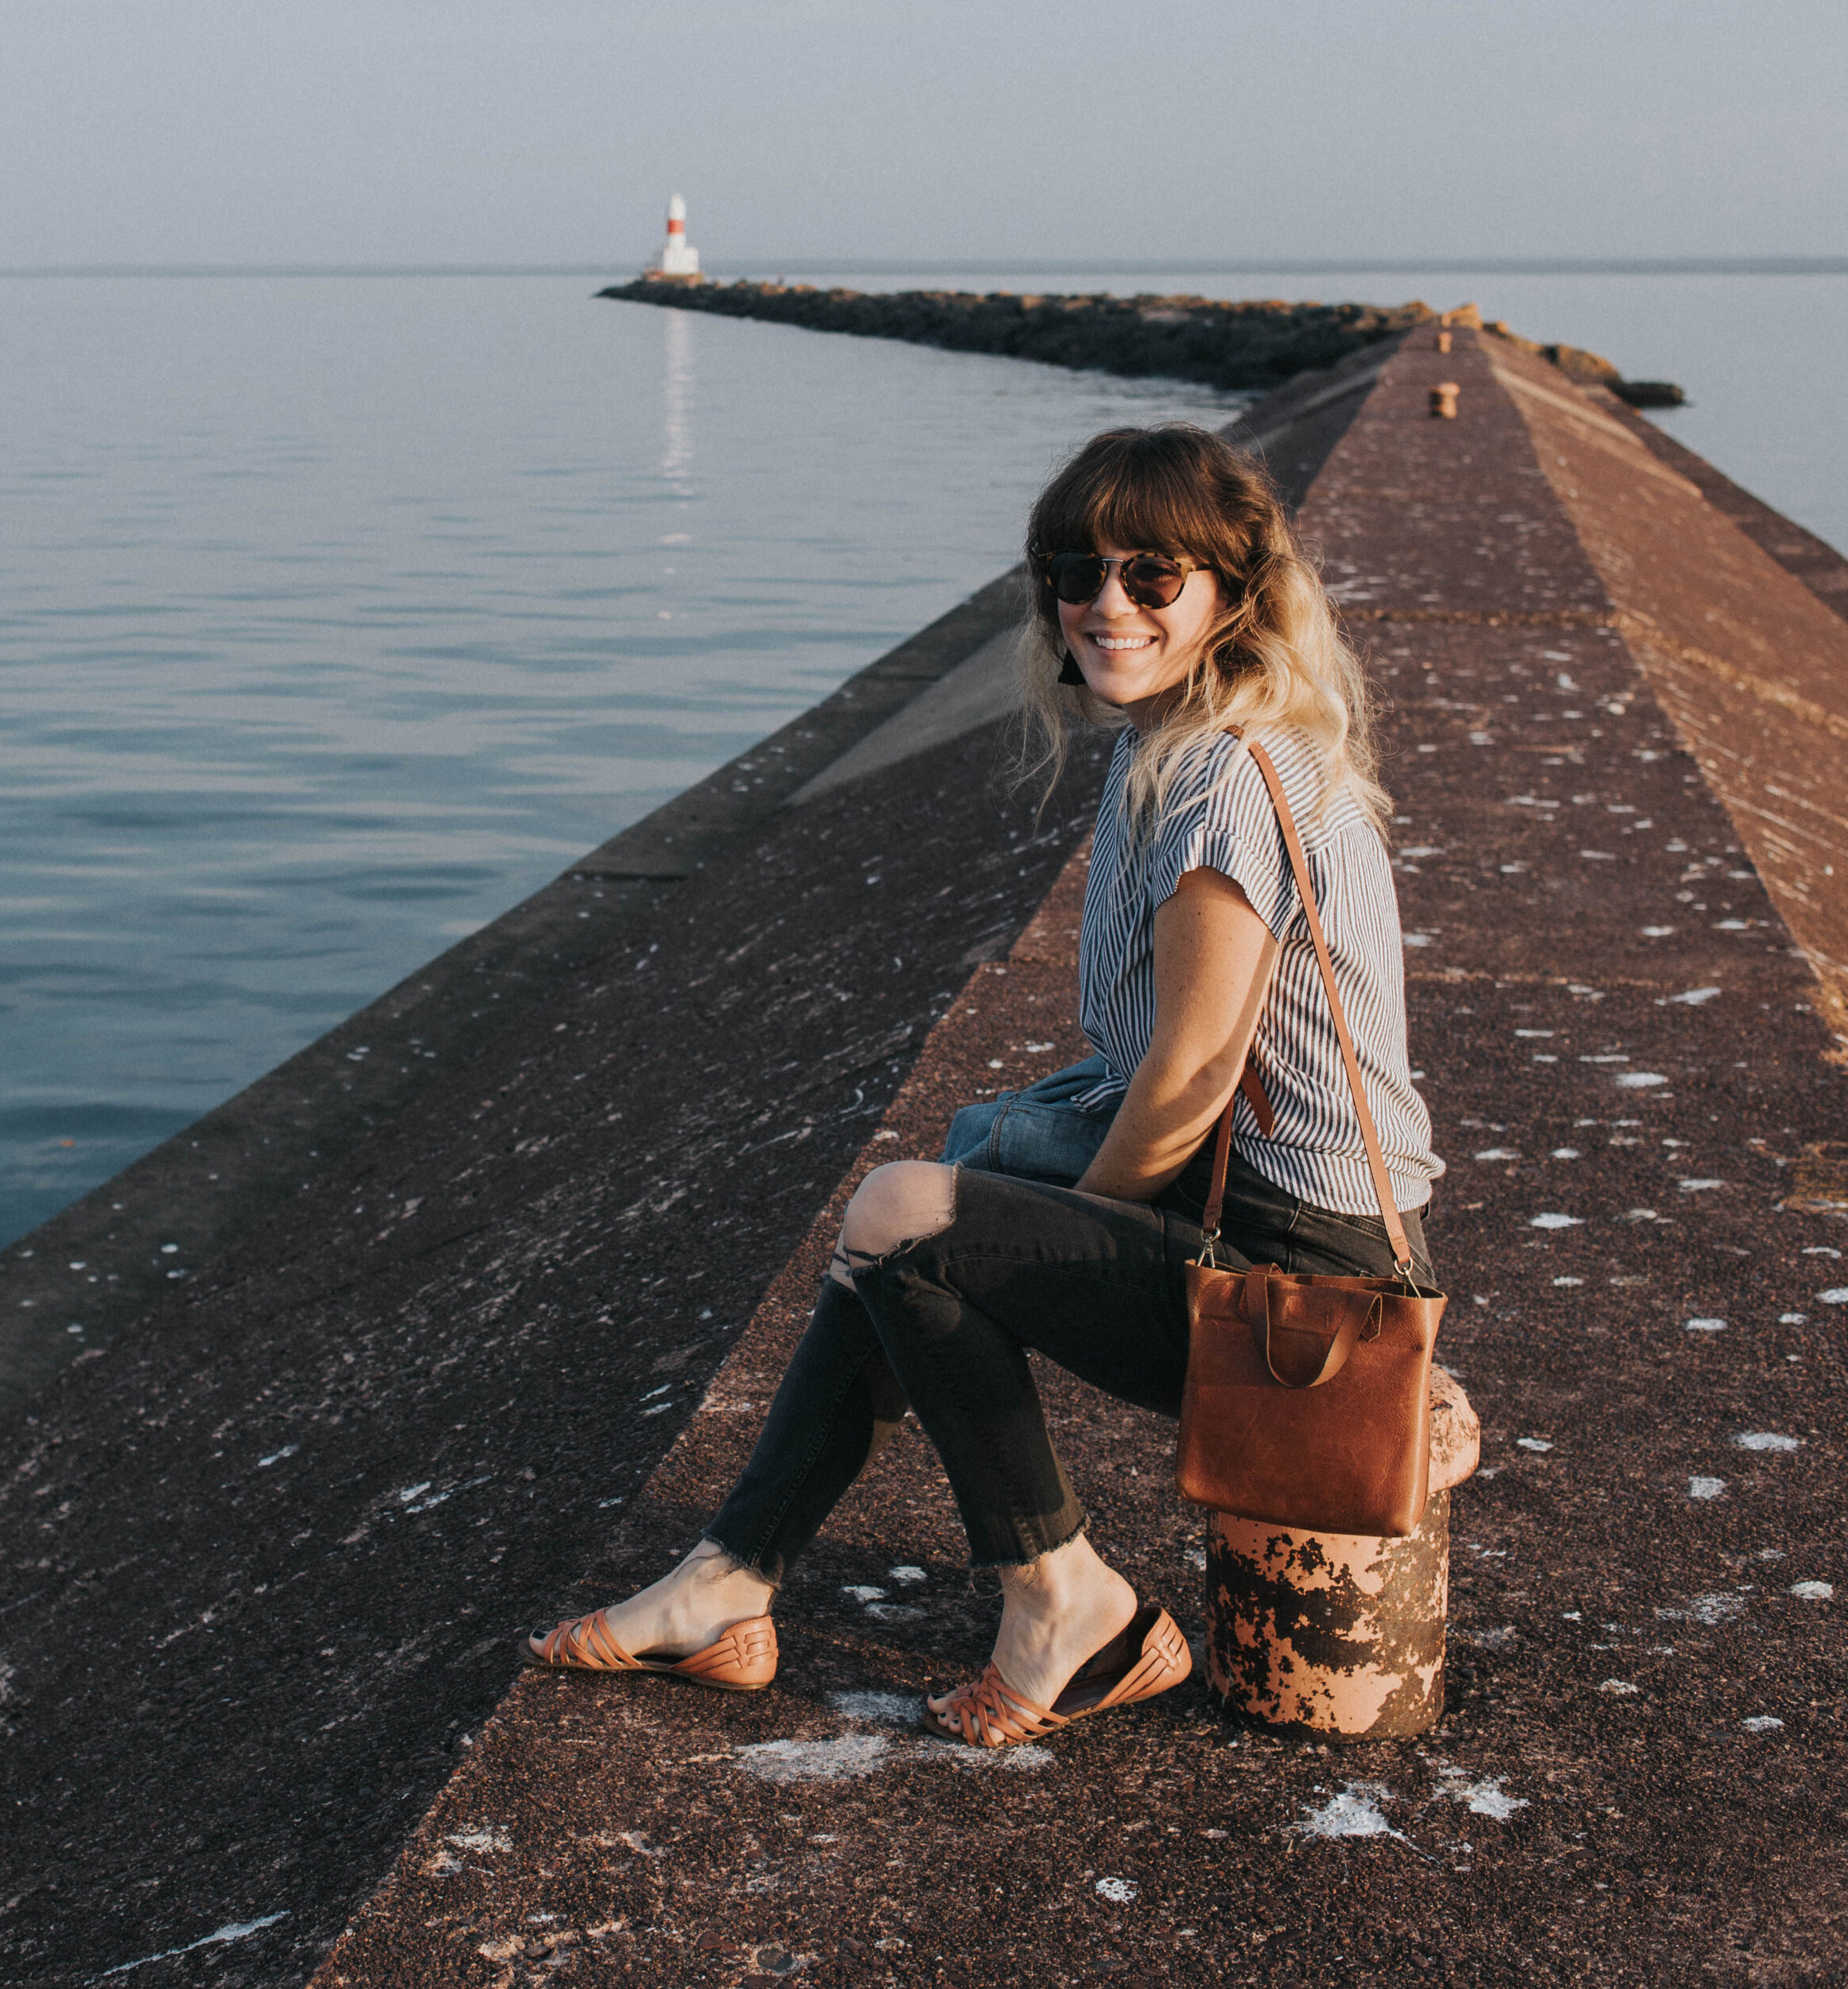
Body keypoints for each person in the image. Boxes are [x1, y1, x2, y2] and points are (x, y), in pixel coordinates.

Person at [528, 424, 1443, 1747]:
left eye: (1153, 577)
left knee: (911, 1217)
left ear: (1231, 595)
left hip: (1294, 1283)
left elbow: (1186, 1081)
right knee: (925, 1212)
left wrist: (1045, 1246)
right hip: (1248, 1224)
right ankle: (727, 1585)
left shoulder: (1229, 780)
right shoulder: (1172, 743)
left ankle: (1066, 1598)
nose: (1107, 605)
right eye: (1078, 571)